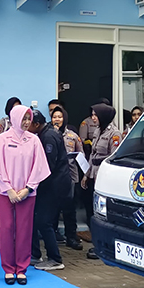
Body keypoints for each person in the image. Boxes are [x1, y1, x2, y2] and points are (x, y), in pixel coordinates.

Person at [0, 105, 50, 285]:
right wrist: (8, 189)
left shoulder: (34, 140)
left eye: (28, 119)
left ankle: (21, 268)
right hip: (4, 192)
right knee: (7, 228)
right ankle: (8, 268)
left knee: (24, 229)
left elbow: (39, 166)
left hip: (27, 193)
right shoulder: (1, 139)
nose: (26, 122)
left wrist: (28, 188)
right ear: (14, 118)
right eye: (23, 118)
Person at [28, 110, 72, 270]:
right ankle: (35, 254)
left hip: (54, 185)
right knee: (36, 219)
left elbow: (47, 165)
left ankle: (55, 258)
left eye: (28, 123)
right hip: (49, 184)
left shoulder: (48, 137)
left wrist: (32, 182)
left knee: (44, 221)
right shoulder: (43, 134)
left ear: (36, 124)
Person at [83, 103, 122, 259]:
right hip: (94, 173)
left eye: (96, 115)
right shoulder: (97, 131)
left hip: (104, 176)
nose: (93, 118)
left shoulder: (114, 134)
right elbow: (93, 155)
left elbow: (114, 158)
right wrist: (86, 175)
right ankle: (97, 243)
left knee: (103, 212)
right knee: (92, 210)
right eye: (92, 114)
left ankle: (106, 245)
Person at [51, 105, 84, 250]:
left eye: (60, 117)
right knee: (53, 208)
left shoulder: (72, 136)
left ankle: (71, 237)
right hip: (54, 177)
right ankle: (52, 236)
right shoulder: (49, 134)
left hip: (70, 176)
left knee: (69, 209)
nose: (57, 119)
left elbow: (81, 154)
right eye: (54, 117)